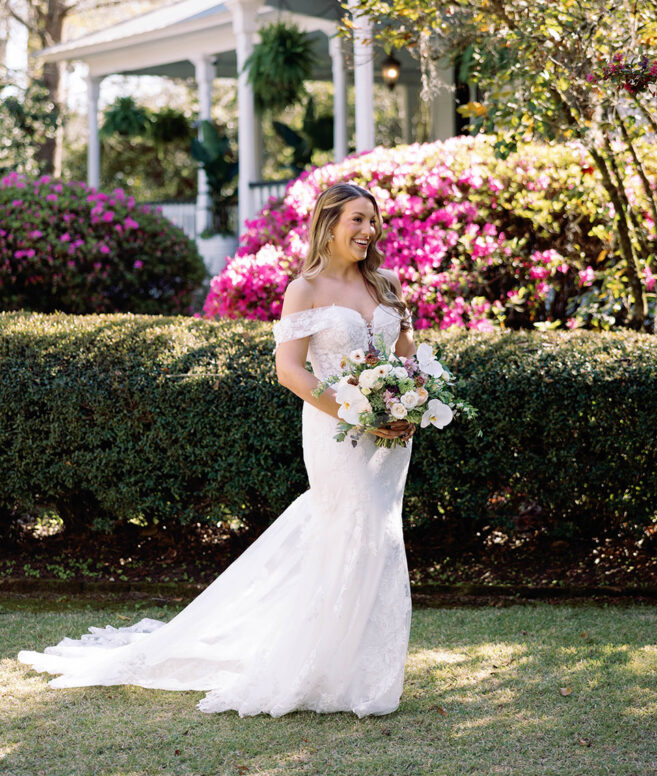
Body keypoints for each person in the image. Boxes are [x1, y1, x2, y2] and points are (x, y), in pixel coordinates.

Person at [18, 181, 417, 718]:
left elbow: (407, 356)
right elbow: (289, 370)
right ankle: (327, 669)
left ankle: (355, 667)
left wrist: (410, 405)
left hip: (388, 438)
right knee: (358, 530)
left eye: (373, 220)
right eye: (357, 219)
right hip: (336, 430)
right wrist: (357, 412)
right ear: (328, 224)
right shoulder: (306, 289)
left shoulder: (388, 284)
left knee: (377, 536)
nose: (369, 230)